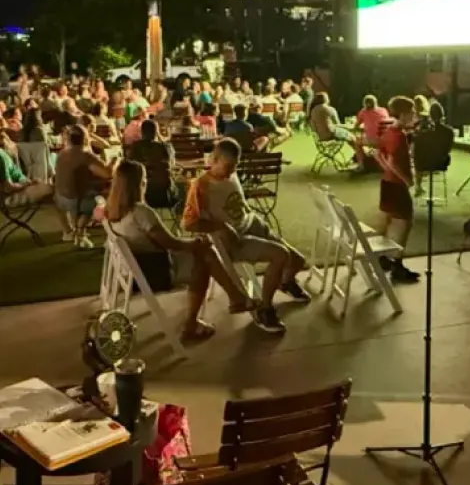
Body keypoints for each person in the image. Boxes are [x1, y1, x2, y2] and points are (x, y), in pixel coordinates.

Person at [106, 160, 260, 341]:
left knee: (204, 253)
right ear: (139, 184)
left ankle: (235, 298)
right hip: (153, 272)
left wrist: (193, 244)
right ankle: (194, 322)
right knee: (205, 257)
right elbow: (171, 243)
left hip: (133, 270)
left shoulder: (111, 209)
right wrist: (194, 242)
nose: (146, 183)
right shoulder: (141, 212)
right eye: (144, 180)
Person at [182, 138, 310, 334]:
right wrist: (221, 226)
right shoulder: (201, 186)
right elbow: (188, 223)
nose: (232, 172)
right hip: (237, 239)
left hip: (253, 225)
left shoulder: (229, 176)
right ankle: (265, 310)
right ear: (214, 160)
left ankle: (285, 282)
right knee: (281, 255)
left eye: (235, 167)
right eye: (228, 167)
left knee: (298, 261)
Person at [373, 97, 421, 283]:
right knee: (405, 224)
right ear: (403, 114)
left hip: (387, 183)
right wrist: (406, 179)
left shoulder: (390, 131)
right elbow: (392, 160)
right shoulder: (398, 135)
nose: (414, 115)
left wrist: (388, 169)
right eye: (412, 112)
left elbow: (378, 155)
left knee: (392, 222)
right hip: (395, 184)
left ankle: (384, 259)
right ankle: (397, 266)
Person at [54, 125, 114, 248]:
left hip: (60, 198)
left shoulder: (61, 154)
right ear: (86, 138)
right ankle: (81, 232)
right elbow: (107, 174)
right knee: (105, 195)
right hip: (76, 200)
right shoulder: (85, 155)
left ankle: (70, 231)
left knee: (90, 190)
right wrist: (115, 160)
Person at [310, 92, 365, 167]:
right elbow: (338, 124)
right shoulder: (329, 109)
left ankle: (359, 157)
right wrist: (349, 125)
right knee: (354, 138)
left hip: (320, 136)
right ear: (326, 99)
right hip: (331, 133)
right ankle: (362, 159)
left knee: (349, 137)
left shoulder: (313, 110)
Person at [413, 102, 455, 198]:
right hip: (442, 163)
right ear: (442, 114)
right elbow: (449, 148)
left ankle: (418, 184)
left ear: (430, 115)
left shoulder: (424, 132)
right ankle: (419, 184)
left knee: (417, 153)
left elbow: (417, 147)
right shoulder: (449, 131)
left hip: (423, 164)